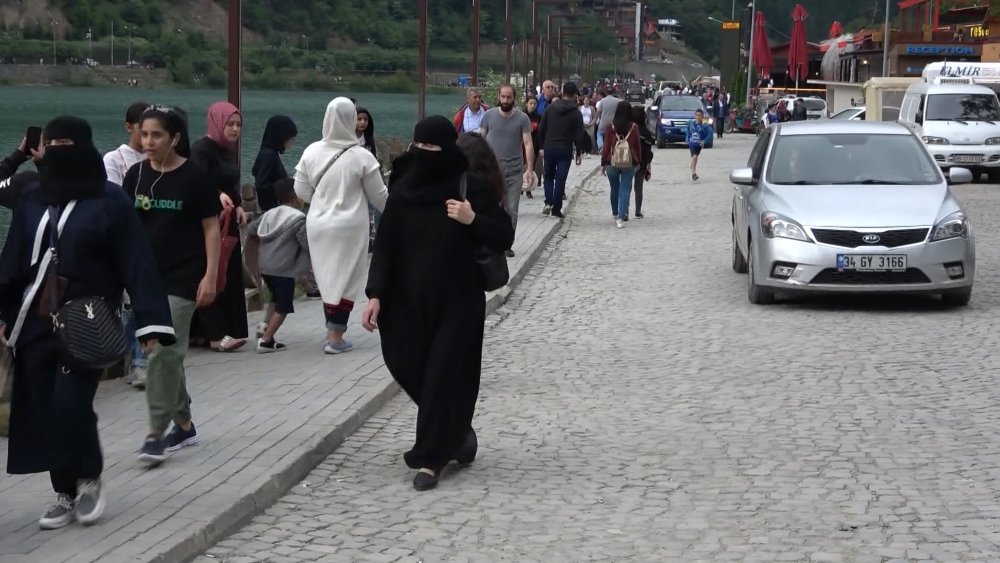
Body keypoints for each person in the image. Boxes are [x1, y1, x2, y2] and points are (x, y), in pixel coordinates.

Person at [0, 115, 174, 528]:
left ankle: (89, 477)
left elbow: (137, 262)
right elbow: (12, 260)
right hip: (35, 323)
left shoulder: (110, 202)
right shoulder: (32, 198)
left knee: (69, 404)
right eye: (51, 143)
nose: (59, 150)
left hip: (88, 323)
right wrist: (3, 312)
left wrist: (150, 325)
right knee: (43, 407)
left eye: (67, 143)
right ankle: (63, 490)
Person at [361, 119, 514, 491]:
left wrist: (471, 217)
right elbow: (386, 245)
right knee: (407, 363)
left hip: (458, 302)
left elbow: (503, 234)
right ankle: (456, 431)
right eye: (418, 147)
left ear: (447, 151)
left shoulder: (468, 188)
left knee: (446, 375)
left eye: (431, 149)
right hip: (406, 301)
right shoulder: (403, 187)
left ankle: (430, 458)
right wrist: (375, 294)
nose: (422, 155)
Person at [121, 105, 222, 467]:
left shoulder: (195, 177)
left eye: (157, 135)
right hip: (145, 278)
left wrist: (210, 275)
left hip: (183, 277)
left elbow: (211, 228)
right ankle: (184, 424)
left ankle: (155, 433)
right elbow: (125, 227)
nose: (148, 142)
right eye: (144, 134)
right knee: (166, 355)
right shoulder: (134, 176)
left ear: (174, 138)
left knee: (163, 352)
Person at [294, 97, 388, 355]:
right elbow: (379, 196)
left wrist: (322, 201)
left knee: (326, 276)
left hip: (318, 224)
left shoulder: (311, 151)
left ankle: (331, 330)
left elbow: (300, 189)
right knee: (347, 277)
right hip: (350, 226)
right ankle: (335, 336)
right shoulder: (362, 156)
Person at [190, 101, 249, 352]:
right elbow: (195, 181)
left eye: (238, 125)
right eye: (230, 124)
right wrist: (216, 194)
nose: (234, 129)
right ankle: (214, 334)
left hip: (227, 224)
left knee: (228, 275)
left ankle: (217, 331)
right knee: (210, 272)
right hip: (207, 224)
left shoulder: (227, 150)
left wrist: (237, 205)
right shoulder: (201, 150)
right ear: (216, 122)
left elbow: (232, 185)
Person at [246, 178, 309, 353]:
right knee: (284, 306)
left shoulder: (270, 214)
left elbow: (251, 229)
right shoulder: (298, 218)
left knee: (274, 298)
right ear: (295, 197)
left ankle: (264, 326)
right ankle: (266, 341)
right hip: (284, 268)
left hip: (265, 266)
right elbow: (305, 242)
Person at [478, 84, 532, 258]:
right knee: (491, 206)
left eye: (509, 97)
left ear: (514, 98)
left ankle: (507, 243)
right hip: (492, 171)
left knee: (511, 209)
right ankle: (490, 241)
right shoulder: (488, 116)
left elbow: (528, 143)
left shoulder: (522, 119)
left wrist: (530, 168)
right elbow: (481, 140)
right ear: (498, 96)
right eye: (503, 97)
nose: (506, 100)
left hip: (514, 171)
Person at [537, 82, 586, 219]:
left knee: (548, 176)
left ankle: (548, 202)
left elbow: (541, 128)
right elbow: (579, 135)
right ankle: (556, 208)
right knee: (560, 179)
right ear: (575, 94)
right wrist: (579, 152)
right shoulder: (576, 113)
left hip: (549, 147)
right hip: (565, 149)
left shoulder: (550, 108)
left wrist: (541, 145)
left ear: (562, 92)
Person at [600, 101, 641, 229]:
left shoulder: (610, 127)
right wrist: (638, 160)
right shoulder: (634, 127)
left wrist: (603, 163)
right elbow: (637, 146)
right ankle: (621, 217)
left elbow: (606, 146)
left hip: (611, 162)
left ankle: (615, 213)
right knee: (625, 189)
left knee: (614, 188)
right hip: (629, 162)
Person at [251, 115, 298, 212]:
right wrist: (286, 185)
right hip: (272, 209)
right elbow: (261, 185)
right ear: (281, 136)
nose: (292, 141)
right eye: (290, 138)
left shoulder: (269, 153)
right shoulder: (269, 155)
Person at [103, 101, 149, 186]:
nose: (147, 134)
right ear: (129, 127)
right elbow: (113, 192)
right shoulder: (113, 159)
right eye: (142, 128)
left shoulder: (158, 157)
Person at [629, 105, 654, 219]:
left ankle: (624, 210)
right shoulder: (646, 132)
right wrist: (648, 164)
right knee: (638, 188)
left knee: (627, 186)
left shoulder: (627, 129)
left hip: (628, 161)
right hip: (641, 162)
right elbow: (648, 150)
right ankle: (638, 211)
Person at [522, 95, 543, 197]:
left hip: (534, 145)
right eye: (531, 103)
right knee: (522, 166)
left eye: (535, 104)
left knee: (531, 167)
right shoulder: (522, 116)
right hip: (521, 145)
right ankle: (520, 186)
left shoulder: (538, 117)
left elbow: (540, 132)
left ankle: (528, 189)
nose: (533, 105)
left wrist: (541, 147)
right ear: (526, 104)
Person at [686, 109, 712, 182]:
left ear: (702, 116)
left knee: (696, 157)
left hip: (699, 144)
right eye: (697, 115)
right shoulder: (691, 123)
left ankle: (692, 166)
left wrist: (705, 141)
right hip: (692, 143)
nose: (698, 117)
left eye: (700, 115)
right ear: (695, 115)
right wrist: (687, 138)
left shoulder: (704, 125)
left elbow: (710, 134)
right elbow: (687, 131)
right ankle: (693, 174)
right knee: (694, 157)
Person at [594, 88, 621, 152]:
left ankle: (601, 146)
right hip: (614, 122)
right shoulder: (617, 101)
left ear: (606, 93)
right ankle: (613, 147)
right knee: (613, 135)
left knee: (599, 134)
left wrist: (599, 119)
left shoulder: (602, 101)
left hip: (603, 122)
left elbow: (598, 112)